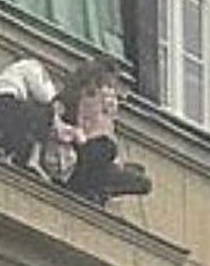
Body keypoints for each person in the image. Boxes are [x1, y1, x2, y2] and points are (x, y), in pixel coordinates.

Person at [52, 57, 152, 207]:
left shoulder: (89, 92)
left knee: (139, 179)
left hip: (87, 148)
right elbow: (87, 122)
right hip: (85, 148)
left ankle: (98, 189)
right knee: (108, 152)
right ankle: (96, 186)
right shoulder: (95, 93)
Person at [0, 56, 61, 171]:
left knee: (26, 122)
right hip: (7, 102)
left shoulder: (14, 71)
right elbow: (45, 95)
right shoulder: (33, 66)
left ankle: (15, 155)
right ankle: (33, 158)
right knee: (45, 115)